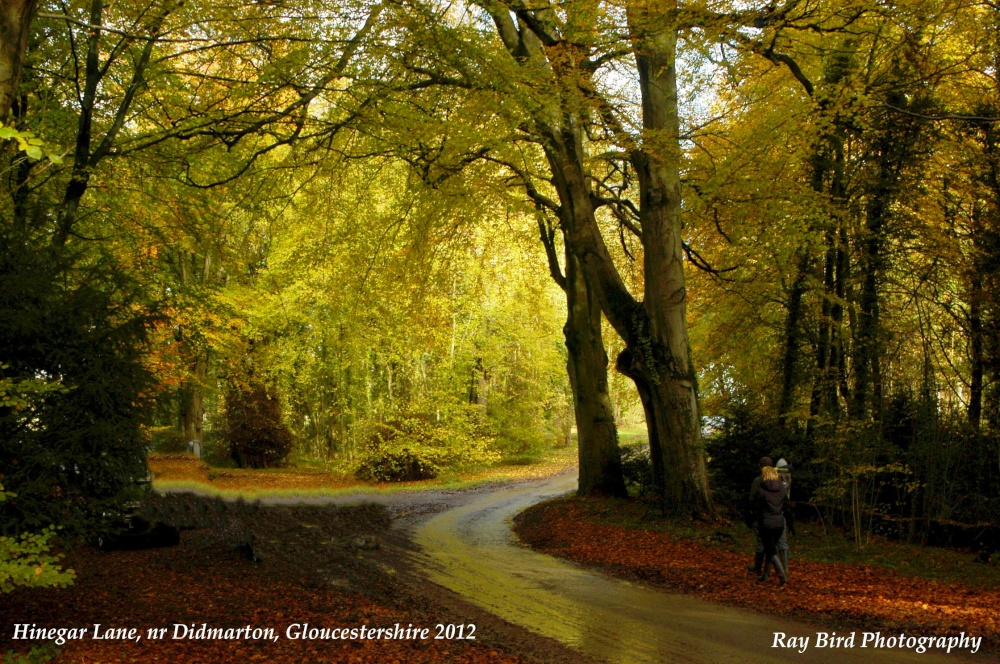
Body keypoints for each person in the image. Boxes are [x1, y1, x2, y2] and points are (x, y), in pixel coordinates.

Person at [752, 465, 790, 584]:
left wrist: (754, 521)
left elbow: (756, 509)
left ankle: (782, 575)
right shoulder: (783, 490)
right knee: (771, 548)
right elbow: (787, 509)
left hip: (766, 524)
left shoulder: (761, 490)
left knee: (771, 550)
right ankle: (765, 574)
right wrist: (790, 524)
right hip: (779, 524)